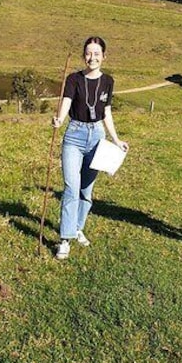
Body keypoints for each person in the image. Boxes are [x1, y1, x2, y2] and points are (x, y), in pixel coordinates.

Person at [51, 36, 129, 260]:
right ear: (83, 55)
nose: (92, 57)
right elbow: (66, 103)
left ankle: (77, 228)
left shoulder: (108, 81)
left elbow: (107, 112)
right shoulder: (74, 79)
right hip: (74, 135)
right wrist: (59, 119)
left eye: (96, 53)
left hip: (97, 137)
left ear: (104, 56)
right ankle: (64, 239)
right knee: (71, 187)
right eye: (88, 53)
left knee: (86, 191)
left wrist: (116, 139)